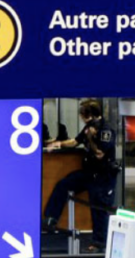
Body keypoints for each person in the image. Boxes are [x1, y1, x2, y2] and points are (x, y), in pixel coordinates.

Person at [43, 98, 119, 250]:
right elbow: (75, 142)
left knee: (98, 209)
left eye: (82, 115)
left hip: (103, 177)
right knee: (64, 184)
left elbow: (99, 154)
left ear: (88, 115)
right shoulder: (88, 127)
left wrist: (91, 138)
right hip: (89, 173)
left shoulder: (105, 130)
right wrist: (58, 144)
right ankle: (50, 219)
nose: (80, 118)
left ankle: (99, 243)